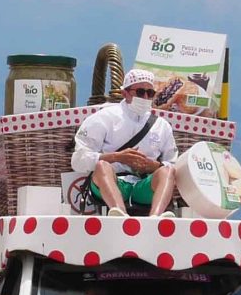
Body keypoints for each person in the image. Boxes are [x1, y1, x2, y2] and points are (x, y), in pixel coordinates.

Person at [68, 70, 180, 215]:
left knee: (168, 171)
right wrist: (117, 157)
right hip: (112, 182)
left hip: (143, 184)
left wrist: (152, 166)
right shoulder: (104, 117)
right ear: (125, 93)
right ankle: (119, 214)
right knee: (102, 166)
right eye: (140, 92)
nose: (145, 97)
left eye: (150, 93)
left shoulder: (162, 125)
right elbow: (78, 161)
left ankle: (156, 218)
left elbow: (174, 164)